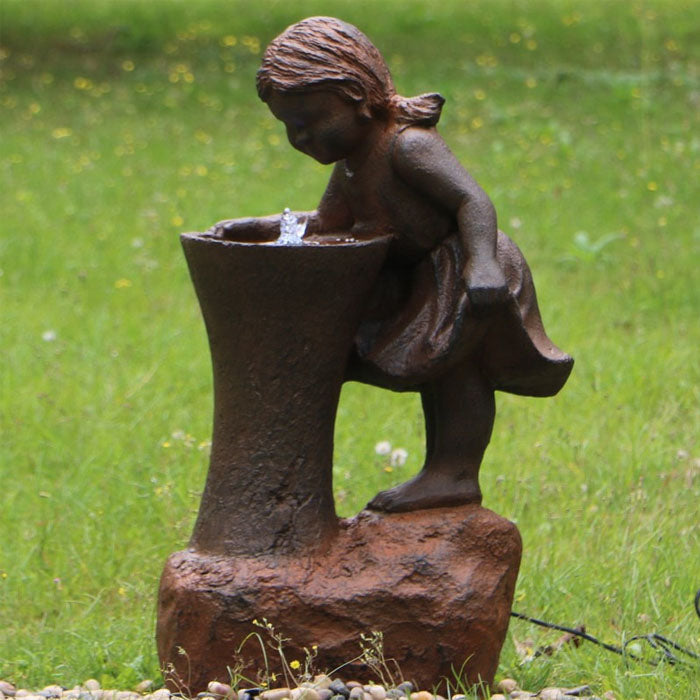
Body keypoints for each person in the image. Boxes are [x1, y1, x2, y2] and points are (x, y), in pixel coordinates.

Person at [210, 16, 573, 512]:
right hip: (412, 276)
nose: (300, 138)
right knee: (428, 364)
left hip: (459, 268)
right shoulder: (352, 163)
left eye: (309, 122)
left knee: (458, 371)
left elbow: (472, 201)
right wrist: (257, 226)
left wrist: (482, 264)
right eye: (289, 128)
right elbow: (325, 223)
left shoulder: (407, 146)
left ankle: (453, 472)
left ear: (356, 96)